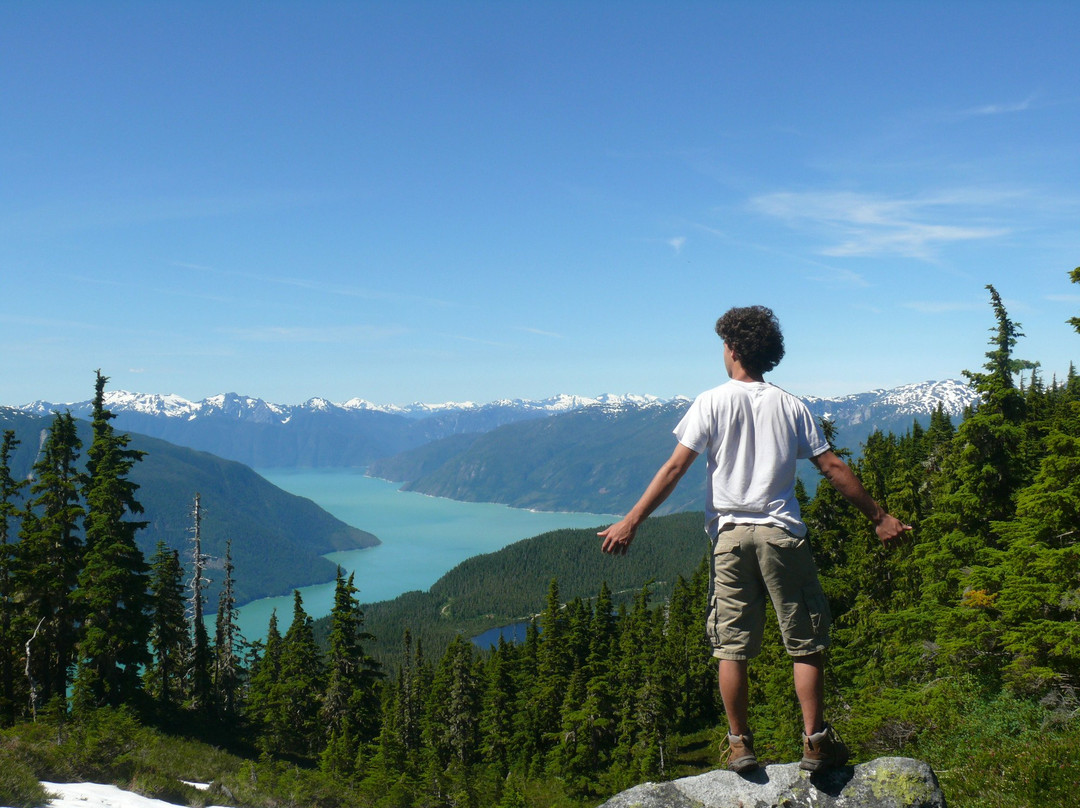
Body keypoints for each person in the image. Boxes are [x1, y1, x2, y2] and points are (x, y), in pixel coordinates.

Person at [598, 305, 910, 774]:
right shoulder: (792, 405)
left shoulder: (711, 402)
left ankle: (740, 744)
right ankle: (816, 743)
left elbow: (675, 468)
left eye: (723, 344)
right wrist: (878, 516)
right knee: (804, 641)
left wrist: (632, 521)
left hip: (728, 536)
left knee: (732, 645)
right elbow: (833, 467)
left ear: (734, 349)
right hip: (782, 534)